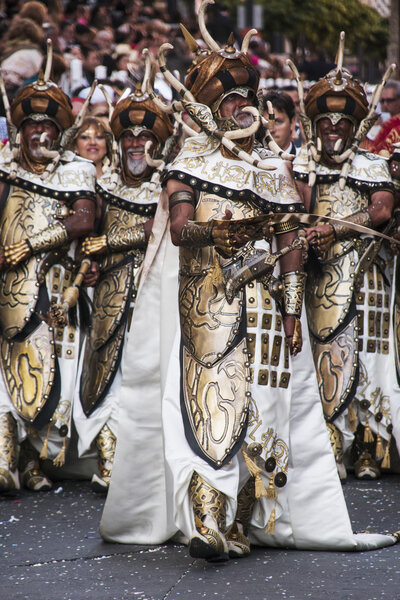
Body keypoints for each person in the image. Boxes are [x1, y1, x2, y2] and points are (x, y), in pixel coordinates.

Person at [100, 2, 398, 558]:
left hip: (265, 308)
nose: (243, 107)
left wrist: (290, 310)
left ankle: (241, 519)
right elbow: (183, 228)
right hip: (206, 306)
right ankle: (205, 522)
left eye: (246, 98)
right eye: (230, 99)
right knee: (209, 405)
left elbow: (288, 244)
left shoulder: (272, 166)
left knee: (264, 406)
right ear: (210, 108)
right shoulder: (191, 159)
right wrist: (221, 236)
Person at [291, 36, 399, 481]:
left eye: (342, 121)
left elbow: (382, 211)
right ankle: (330, 446)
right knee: (325, 355)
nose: (333, 128)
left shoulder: (373, 162)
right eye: (325, 122)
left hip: (367, 273)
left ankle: (369, 449)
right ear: (313, 124)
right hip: (319, 275)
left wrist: (334, 226)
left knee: (369, 358)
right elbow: (293, 211)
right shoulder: (301, 162)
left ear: (356, 124)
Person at [74, 75, 174, 493]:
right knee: (107, 376)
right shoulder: (104, 185)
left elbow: (161, 225)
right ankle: (109, 461)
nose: (137, 146)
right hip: (110, 298)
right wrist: (88, 264)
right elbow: (86, 237)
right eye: (129, 138)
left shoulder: (169, 185)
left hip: (154, 297)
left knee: (146, 377)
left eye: (146, 138)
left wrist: (112, 240)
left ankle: (145, 468)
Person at [0, 62, 96, 492]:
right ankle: (4, 458)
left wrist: (34, 244)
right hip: (6, 287)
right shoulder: (5, 166)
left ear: (61, 132)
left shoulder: (77, 170)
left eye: (48, 128)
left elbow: (83, 220)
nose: (39, 135)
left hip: (58, 290)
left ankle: (33, 461)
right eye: (31, 127)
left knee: (51, 373)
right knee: (3, 374)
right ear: (19, 130)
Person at [263, 90, 297, 155]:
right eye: (266, 123)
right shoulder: (251, 160)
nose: (271, 130)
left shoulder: (305, 161)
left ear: (292, 122)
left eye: (278, 122)